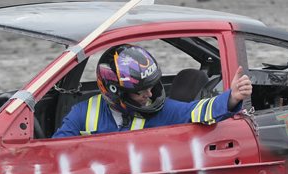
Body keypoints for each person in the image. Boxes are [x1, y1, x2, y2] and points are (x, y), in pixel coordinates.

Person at [52, 44, 252, 138]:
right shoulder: (81, 114)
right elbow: (57, 151)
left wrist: (232, 98)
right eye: (140, 92)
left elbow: (198, 111)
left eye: (151, 88)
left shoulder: (163, 110)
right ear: (115, 92)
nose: (149, 95)